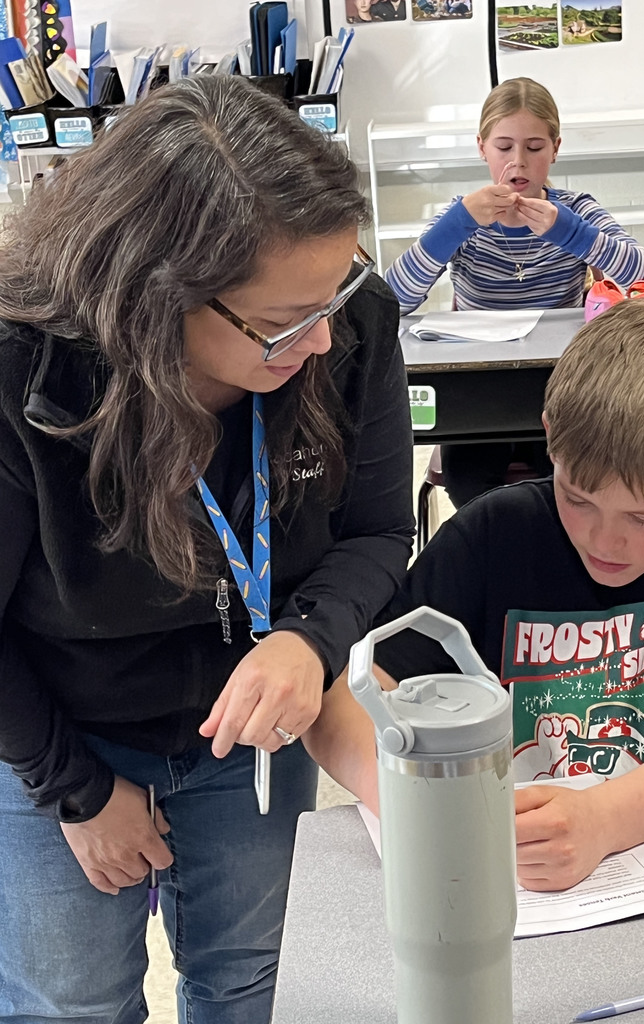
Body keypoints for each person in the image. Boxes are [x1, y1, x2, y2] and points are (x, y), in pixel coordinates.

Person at [0, 76, 414, 1023]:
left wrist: (309, 640)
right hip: (57, 725)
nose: (320, 342)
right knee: (71, 1003)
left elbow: (380, 530)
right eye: (279, 324)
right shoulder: (23, 365)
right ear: (156, 297)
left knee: (252, 983)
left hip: (255, 736)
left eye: (333, 297)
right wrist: (78, 791)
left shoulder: (344, 320)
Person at [305, 301, 644, 892]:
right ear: (551, 441)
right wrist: (414, 806)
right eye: (578, 498)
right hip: (512, 872)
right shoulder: (493, 534)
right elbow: (341, 704)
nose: (605, 540)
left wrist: (604, 819)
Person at [384, 77, 644, 507]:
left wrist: (576, 236)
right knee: (471, 488)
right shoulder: (461, 216)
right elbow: (391, 303)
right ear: (481, 147)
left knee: (568, 484)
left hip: (562, 381)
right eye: (504, 147)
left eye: (534, 148)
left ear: (555, 148)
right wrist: (456, 227)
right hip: (480, 382)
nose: (518, 162)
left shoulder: (575, 210)